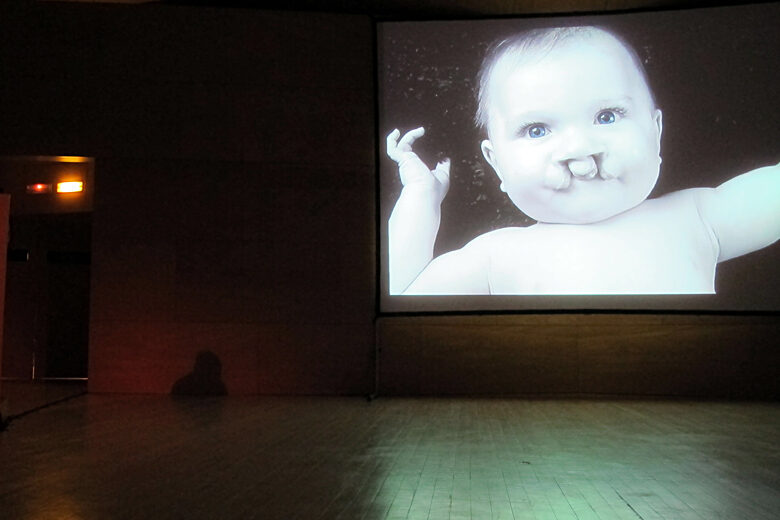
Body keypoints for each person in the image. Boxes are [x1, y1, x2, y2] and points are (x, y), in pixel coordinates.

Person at [386, 26, 779, 295]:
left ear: (656, 131)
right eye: (537, 130)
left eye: (607, 117)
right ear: (496, 163)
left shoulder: (697, 215)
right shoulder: (495, 254)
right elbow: (403, 293)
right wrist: (420, 197)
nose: (579, 148)